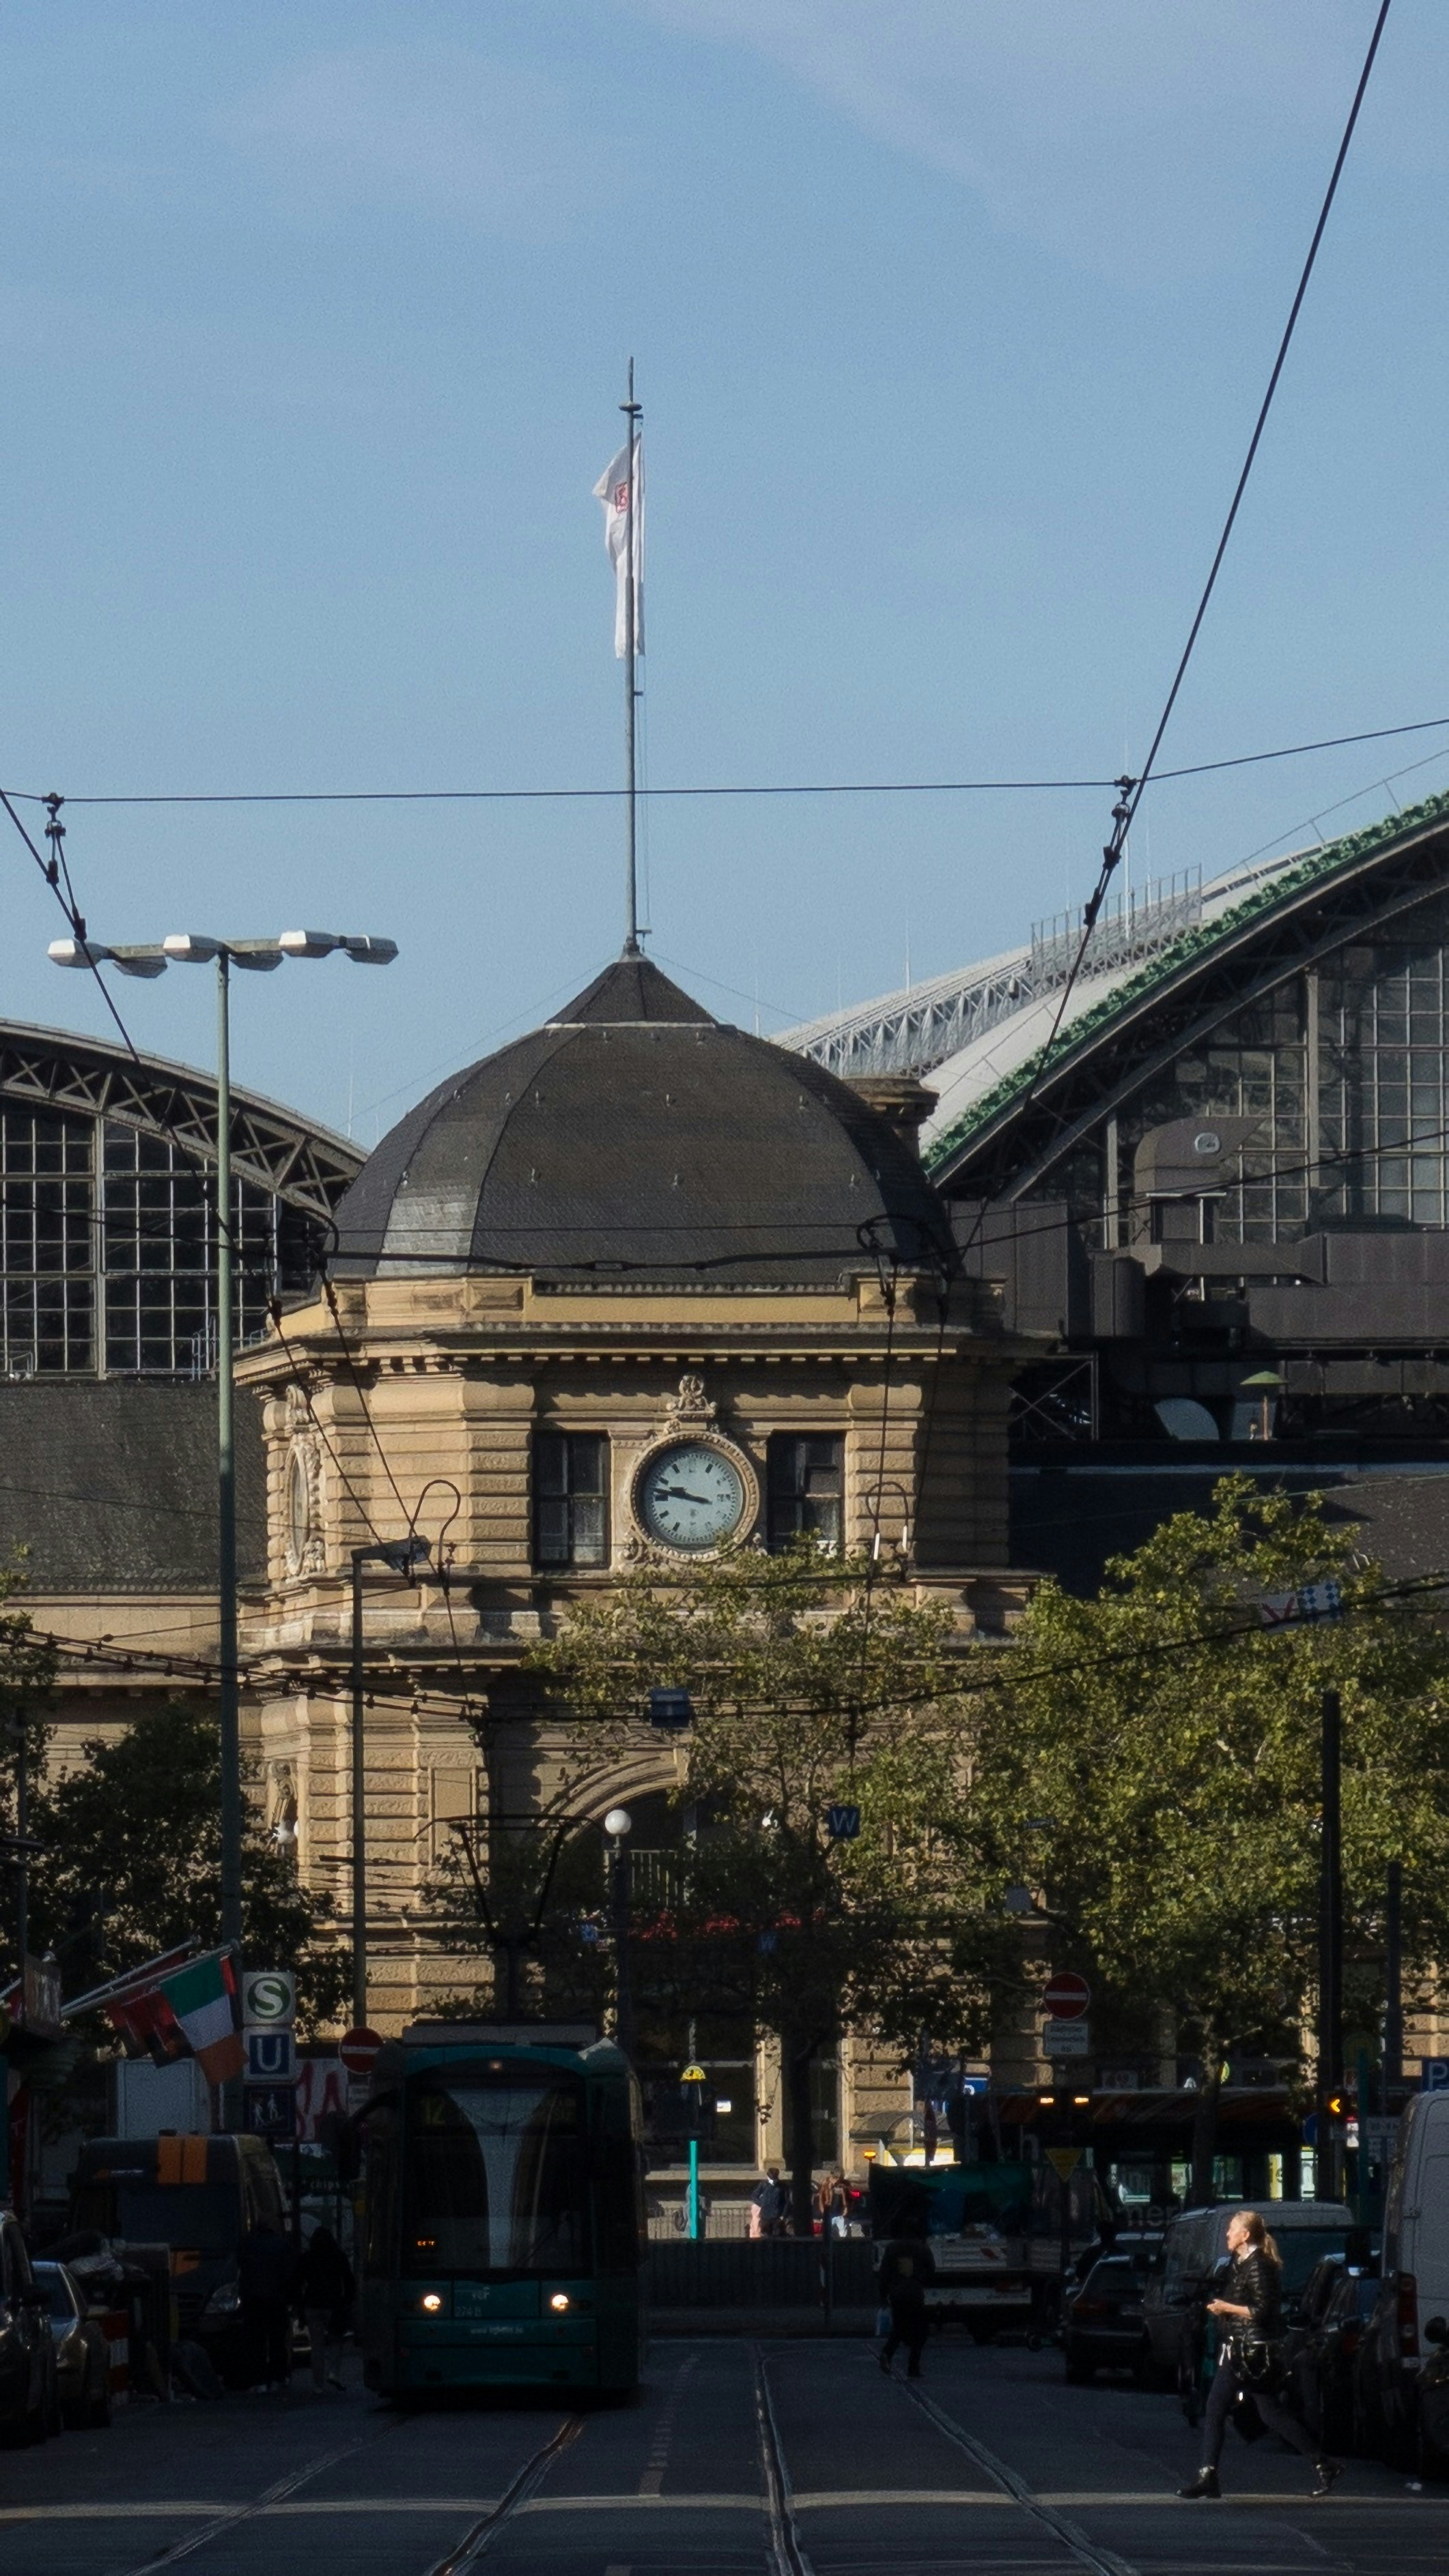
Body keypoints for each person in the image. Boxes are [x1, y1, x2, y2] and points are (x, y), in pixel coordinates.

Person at [1177, 2209, 1342, 2500]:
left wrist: (1226, 2308)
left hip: (1252, 2353)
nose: (1227, 2234)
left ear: (1245, 2235)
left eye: (1232, 2229)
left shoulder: (1259, 2265)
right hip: (1240, 2348)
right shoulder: (1239, 2262)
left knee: (1218, 2409)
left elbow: (1263, 2311)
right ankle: (1323, 2463)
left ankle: (1208, 2477)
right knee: (1270, 2414)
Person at [238, 2214, 296, 2392]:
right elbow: (288, 2274)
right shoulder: (281, 2244)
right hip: (276, 2300)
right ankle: (279, 2376)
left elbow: (243, 2269)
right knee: (277, 2341)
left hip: (254, 2301)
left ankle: (259, 2379)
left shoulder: (248, 2244)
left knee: (257, 2342)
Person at [297, 2223, 354, 2393]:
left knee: (317, 2346)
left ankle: (318, 2384)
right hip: (333, 2304)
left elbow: (298, 2281)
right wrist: (349, 2300)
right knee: (337, 2341)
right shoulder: (339, 2256)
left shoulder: (307, 2258)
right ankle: (333, 2372)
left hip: (313, 2304)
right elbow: (348, 2280)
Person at [877, 2227, 937, 2379]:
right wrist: (921, 2280)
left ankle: (887, 2353)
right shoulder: (922, 2248)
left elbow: (884, 2273)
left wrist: (884, 2294)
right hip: (914, 2294)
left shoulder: (891, 2248)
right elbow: (931, 2269)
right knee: (920, 2332)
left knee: (900, 2327)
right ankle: (913, 2367)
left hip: (897, 2294)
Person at [749, 2167, 788, 2239]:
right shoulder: (764, 2184)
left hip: (777, 2216)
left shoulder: (782, 2186)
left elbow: (786, 2201)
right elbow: (754, 2195)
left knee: (778, 2235)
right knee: (766, 2235)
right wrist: (762, 2204)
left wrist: (783, 2215)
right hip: (765, 2215)